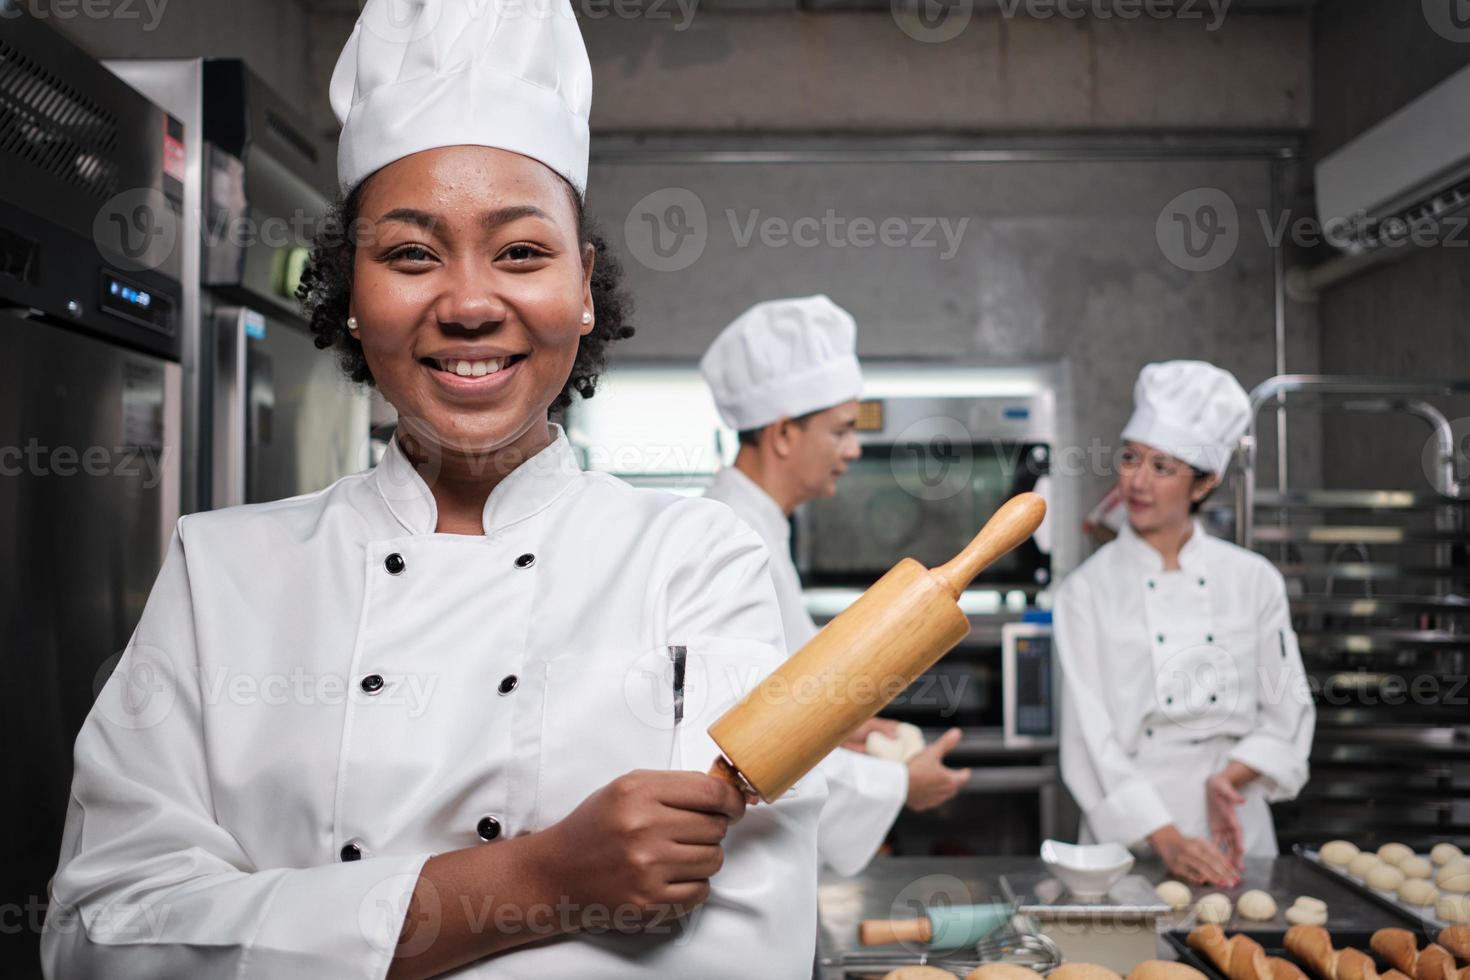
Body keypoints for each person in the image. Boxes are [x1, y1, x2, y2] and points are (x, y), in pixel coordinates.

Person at [40, 2, 823, 977]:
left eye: (522, 251)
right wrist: (533, 879)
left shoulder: (697, 562)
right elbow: (102, 932)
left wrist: (299, 928)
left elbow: (745, 949)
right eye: (411, 252)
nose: (466, 302)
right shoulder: (222, 568)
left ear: (582, 287)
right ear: (352, 293)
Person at [699, 295, 970, 877]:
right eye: (842, 430)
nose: (854, 449)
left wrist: (848, 724)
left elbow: (789, 697)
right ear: (782, 435)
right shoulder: (734, 542)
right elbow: (755, 746)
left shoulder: (761, 529)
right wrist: (898, 783)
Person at [1055, 360, 1315, 888]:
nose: (1136, 481)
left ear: (1204, 484)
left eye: (1162, 467)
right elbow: (1088, 737)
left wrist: (1230, 777)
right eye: (1131, 458)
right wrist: (1166, 838)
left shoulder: (1253, 580)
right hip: (1127, 836)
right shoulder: (1086, 590)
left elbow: (1288, 708)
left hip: (1235, 827)